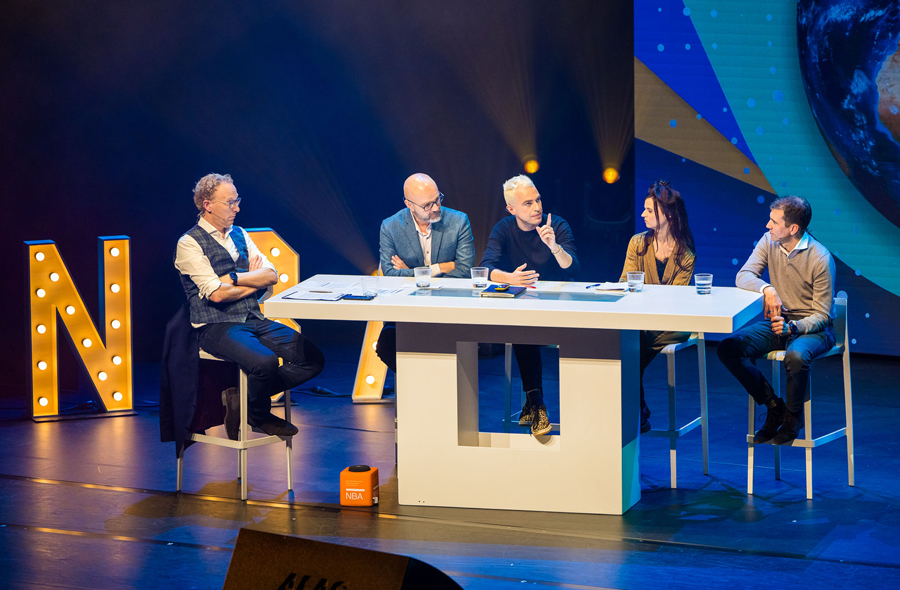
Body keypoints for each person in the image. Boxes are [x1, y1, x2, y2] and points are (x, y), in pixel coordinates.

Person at [174, 173, 325, 440]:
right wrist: (252, 282)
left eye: (237, 200)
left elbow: (271, 275)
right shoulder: (189, 243)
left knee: (311, 358)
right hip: (216, 326)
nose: (237, 208)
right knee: (265, 362)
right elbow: (216, 296)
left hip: (253, 318)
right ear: (207, 205)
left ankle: (243, 401)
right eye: (230, 202)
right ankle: (258, 413)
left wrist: (234, 278)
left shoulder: (241, 235)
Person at [717, 196, 835, 445]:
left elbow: (823, 315)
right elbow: (744, 275)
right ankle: (774, 406)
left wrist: (794, 327)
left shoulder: (820, 258)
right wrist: (767, 289)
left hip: (813, 328)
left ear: (793, 229)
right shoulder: (769, 242)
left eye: (773, 221)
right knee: (729, 348)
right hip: (780, 322)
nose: (767, 226)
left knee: (796, 356)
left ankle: (793, 417)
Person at [480, 174, 580, 436]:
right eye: (527, 203)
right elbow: (485, 267)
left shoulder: (555, 225)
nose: (536, 207)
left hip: (560, 308)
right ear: (512, 209)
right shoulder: (503, 228)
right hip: (526, 311)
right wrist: (509, 278)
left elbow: (574, 269)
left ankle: (533, 403)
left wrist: (555, 246)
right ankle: (536, 405)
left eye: (538, 200)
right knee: (523, 325)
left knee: (525, 326)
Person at [375, 173, 475, 372]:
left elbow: (464, 270)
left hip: (447, 307)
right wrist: (440, 268)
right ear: (409, 204)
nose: (436, 208)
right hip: (406, 311)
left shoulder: (459, 221)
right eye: (428, 205)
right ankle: (416, 385)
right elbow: (391, 275)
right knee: (386, 344)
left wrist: (411, 273)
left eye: (438, 199)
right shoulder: (390, 226)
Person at [620, 180, 697, 434]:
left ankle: (635, 411)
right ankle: (638, 410)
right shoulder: (637, 243)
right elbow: (625, 284)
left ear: (668, 214)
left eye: (649, 211)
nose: (643, 214)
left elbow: (676, 300)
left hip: (670, 325)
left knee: (629, 354)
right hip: (641, 321)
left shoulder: (685, 253)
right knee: (627, 349)